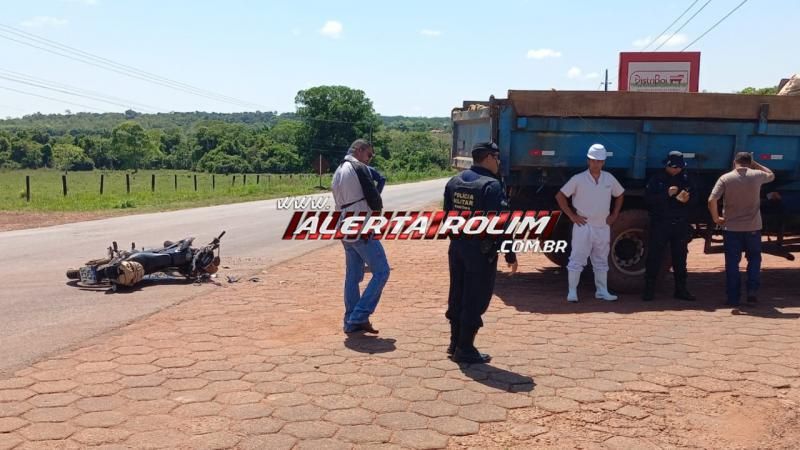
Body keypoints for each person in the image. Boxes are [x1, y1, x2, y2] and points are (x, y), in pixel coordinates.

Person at [444, 142, 517, 364]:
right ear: (487, 157)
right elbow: (501, 224)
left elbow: (446, 217)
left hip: (457, 248)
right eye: (497, 157)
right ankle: (465, 349)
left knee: (457, 293)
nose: (499, 162)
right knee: (476, 297)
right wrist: (510, 253)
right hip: (480, 251)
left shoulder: (454, 182)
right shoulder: (491, 186)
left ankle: (455, 343)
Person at [331, 139, 390, 333]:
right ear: (359, 150)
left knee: (353, 276)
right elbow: (375, 200)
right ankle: (358, 316)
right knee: (382, 271)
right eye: (369, 155)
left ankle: (351, 318)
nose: (369, 159)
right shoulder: (359, 167)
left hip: (344, 226)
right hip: (360, 226)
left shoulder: (339, 169)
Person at [555, 144, 625, 303]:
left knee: (601, 259)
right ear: (588, 160)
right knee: (577, 258)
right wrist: (572, 216)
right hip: (583, 225)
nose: (596, 164)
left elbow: (620, 194)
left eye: (599, 161)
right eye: (593, 160)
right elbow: (560, 196)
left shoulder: (609, 178)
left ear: (603, 162)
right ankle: (572, 292)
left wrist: (614, 214)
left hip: (602, 225)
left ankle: (602, 291)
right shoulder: (578, 179)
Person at [708, 152, 774, 306]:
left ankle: (733, 298)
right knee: (754, 260)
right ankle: (752, 293)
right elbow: (771, 174)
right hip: (753, 228)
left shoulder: (725, 178)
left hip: (731, 228)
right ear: (749, 162)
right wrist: (755, 163)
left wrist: (716, 218)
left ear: (734, 162)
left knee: (732, 263)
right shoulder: (757, 175)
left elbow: (712, 199)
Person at [643, 151, 697, 301]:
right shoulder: (657, 179)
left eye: (679, 167)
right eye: (674, 167)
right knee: (654, 257)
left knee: (680, 258)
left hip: (680, 223)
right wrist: (666, 194)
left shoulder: (686, 179)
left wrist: (687, 200)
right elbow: (648, 200)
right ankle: (649, 290)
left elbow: (695, 199)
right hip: (661, 222)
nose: (676, 170)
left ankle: (681, 290)